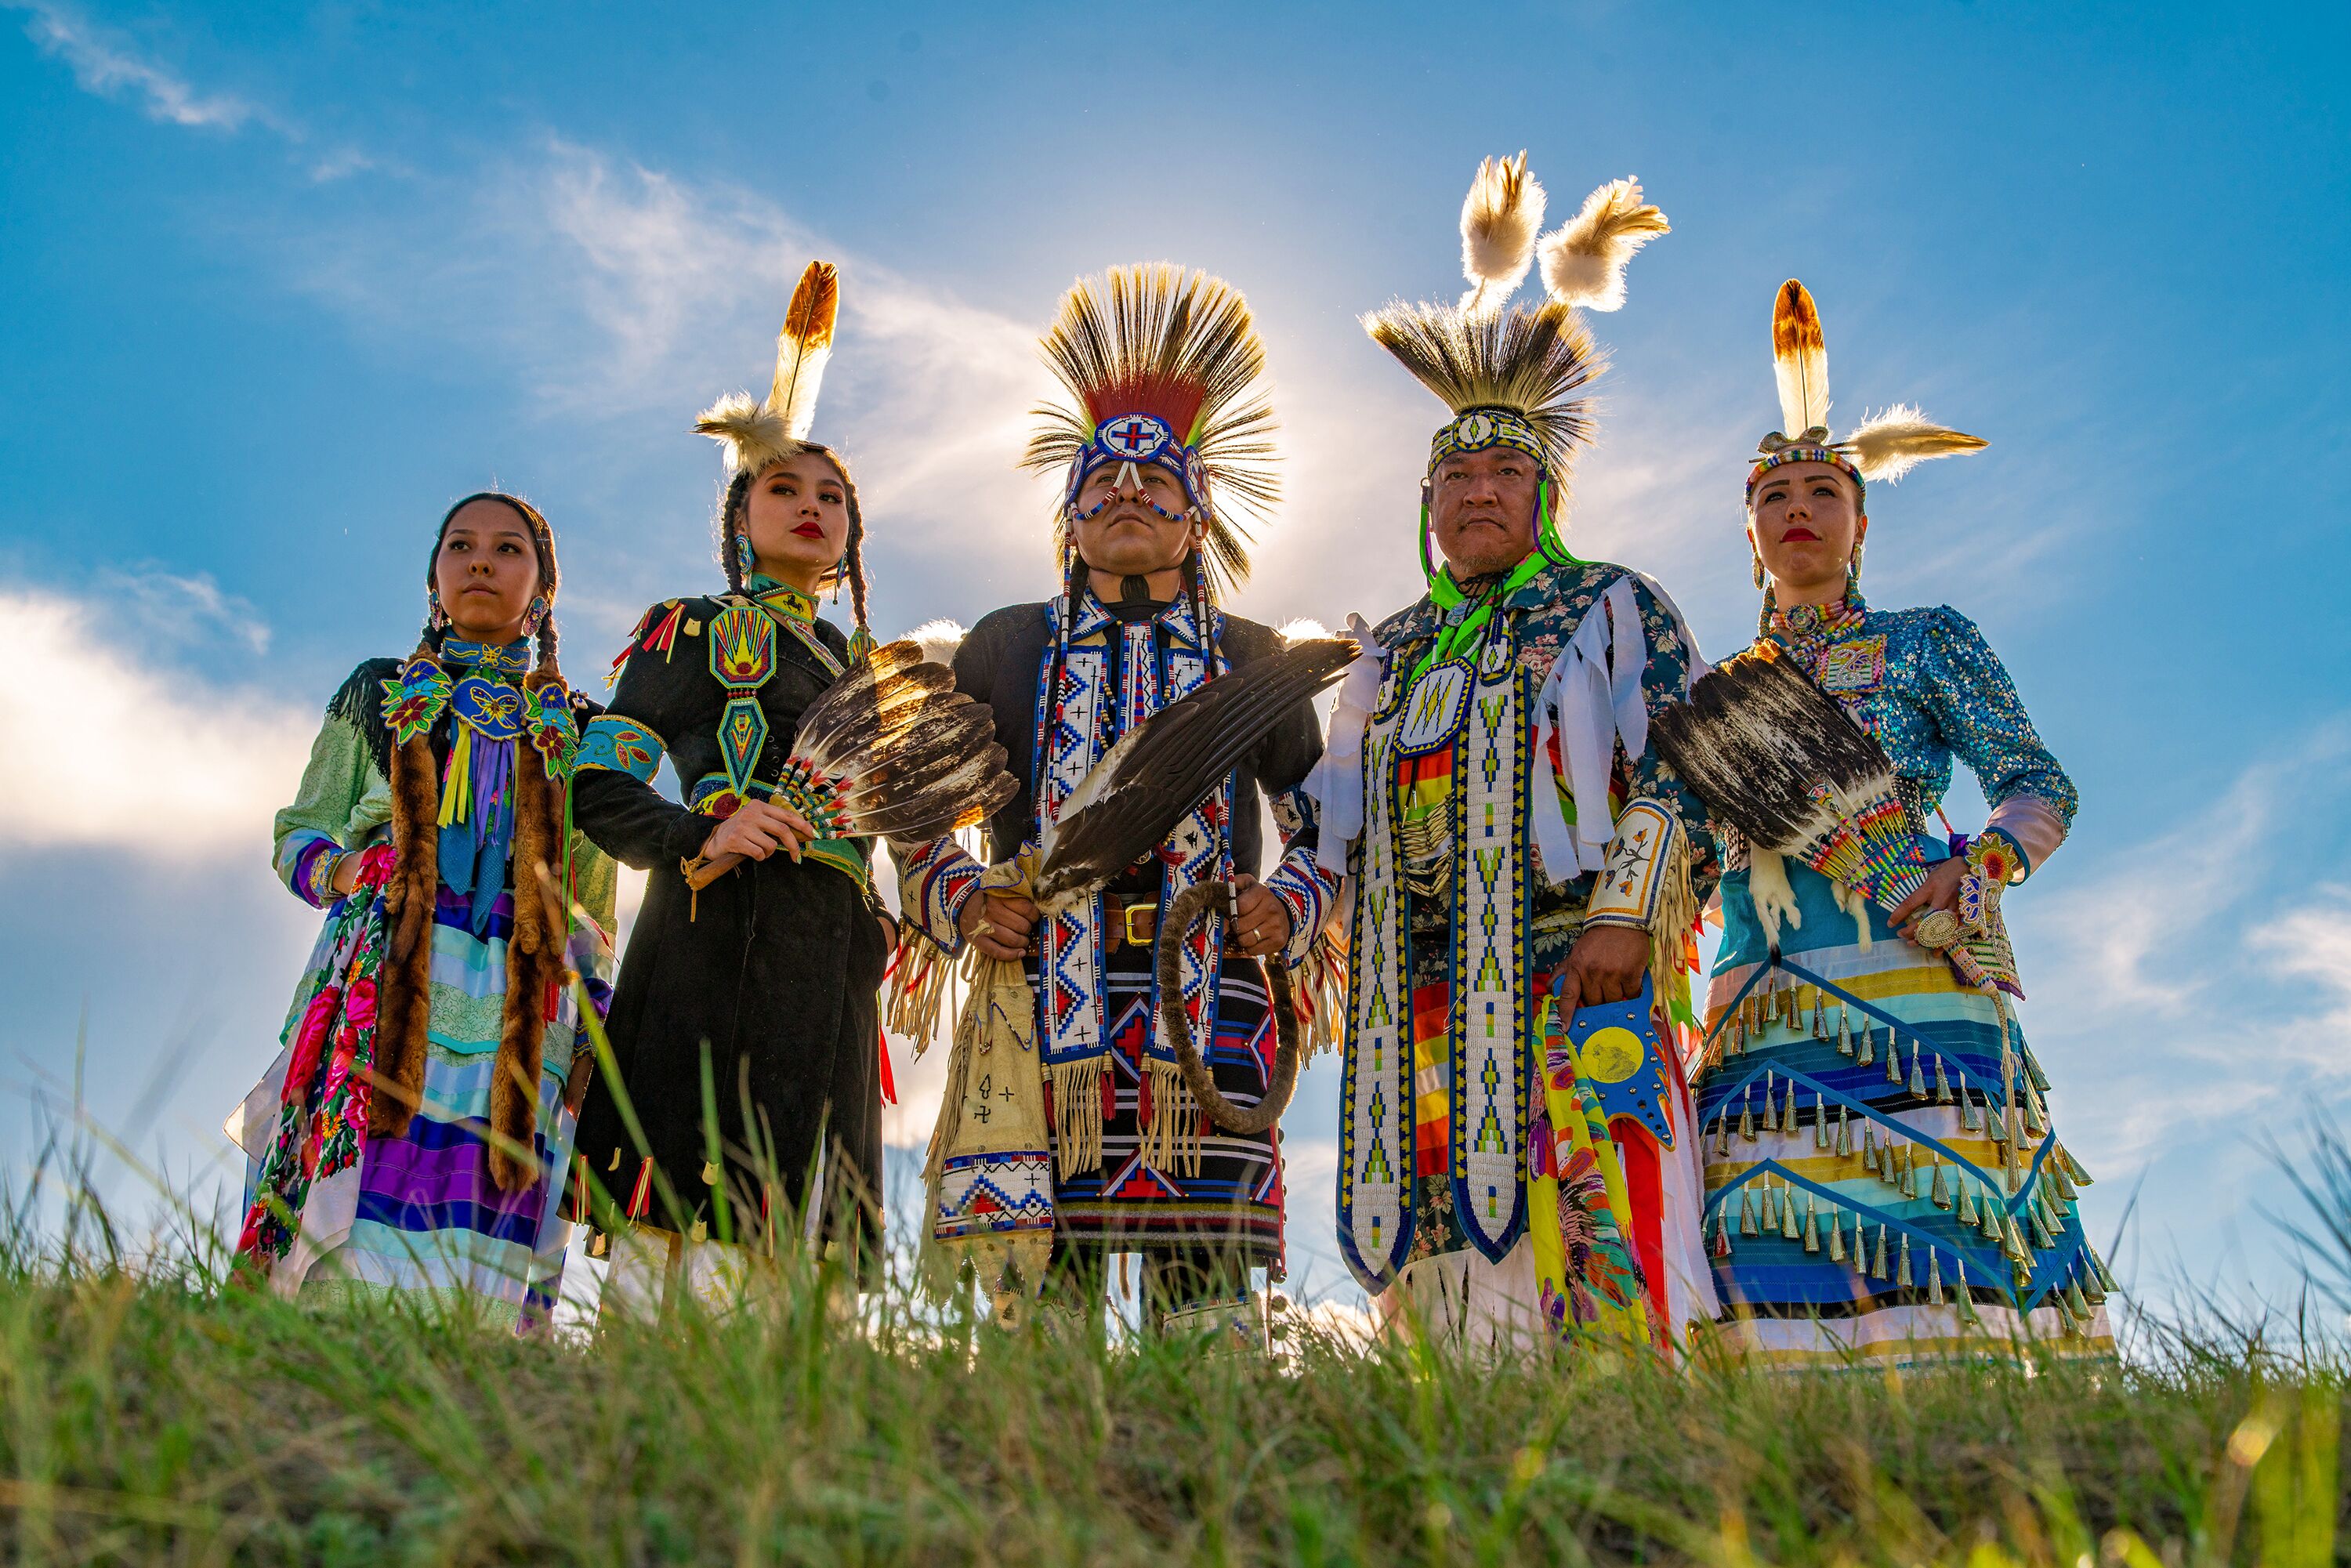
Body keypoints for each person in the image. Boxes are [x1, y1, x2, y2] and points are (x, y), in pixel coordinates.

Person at [890, 264, 1339, 1342]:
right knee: (1043, 1304)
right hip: (1047, 991)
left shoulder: (1251, 655)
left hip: (1212, 993)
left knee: (1212, 1299)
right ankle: (1037, 1491)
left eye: (1157, 485)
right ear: (1070, 515)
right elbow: (915, 809)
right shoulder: (1007, 644)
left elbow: (1328, 821)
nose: (1129, 495)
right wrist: (958, 900)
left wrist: (1292, 903)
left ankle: (1212, 1488)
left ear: (1197, 520)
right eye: (1104, 484)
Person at [1316, 156, 1719, 1353]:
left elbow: (1683, 766)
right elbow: (1333, 814)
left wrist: (1625, 914)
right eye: (1455, 476)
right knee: (1440, 1237)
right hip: (1419, 990)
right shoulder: (1389, 647)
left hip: (1573, 958)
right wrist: (1299, 907)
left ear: (1546, 493)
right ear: (1429, 502)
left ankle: (1631, 1459)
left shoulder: (1611, 604)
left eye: (1503, 473)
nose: (1477, 492)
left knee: (1594, 1206)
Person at [1688, 279, 2113, 1363]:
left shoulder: (1929, 640)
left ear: (1860, 523)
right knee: (1766, 1216)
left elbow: (2036, 781)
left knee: (1943, 1218)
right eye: (1775, 492)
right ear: (1749, 530)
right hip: (1763, 985)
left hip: (1915, 965)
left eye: (1824, 491)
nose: (1799, 508)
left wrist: (1980, 868)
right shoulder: (1713, 694)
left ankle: (1981, 1447)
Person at [571, 261, 891, 1316]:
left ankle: (793, 1432)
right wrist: (703, 827)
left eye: (830, 496)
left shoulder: (862, 670)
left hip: (833, 956)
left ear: (853, 532)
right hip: (718, 934)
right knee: (695, 1193)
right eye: (783, 489)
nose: (810, 507)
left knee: (816, 1213)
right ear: (737, 513)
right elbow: (600, 782)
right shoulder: (696, 628)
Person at [232, 491, 616, 1333]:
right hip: (386, 971)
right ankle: (325, 1342)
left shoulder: (582, 728)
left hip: (524, 993)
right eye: (462, 546)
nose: (482, 561)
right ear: (434, 578)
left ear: (544, 589)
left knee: (496, 1168)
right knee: (360, 1158)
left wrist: (585, 980)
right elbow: (300, 833)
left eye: (509, 549)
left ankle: (475, 1358)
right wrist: (345, 874)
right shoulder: (376, 693)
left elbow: (594, 904)